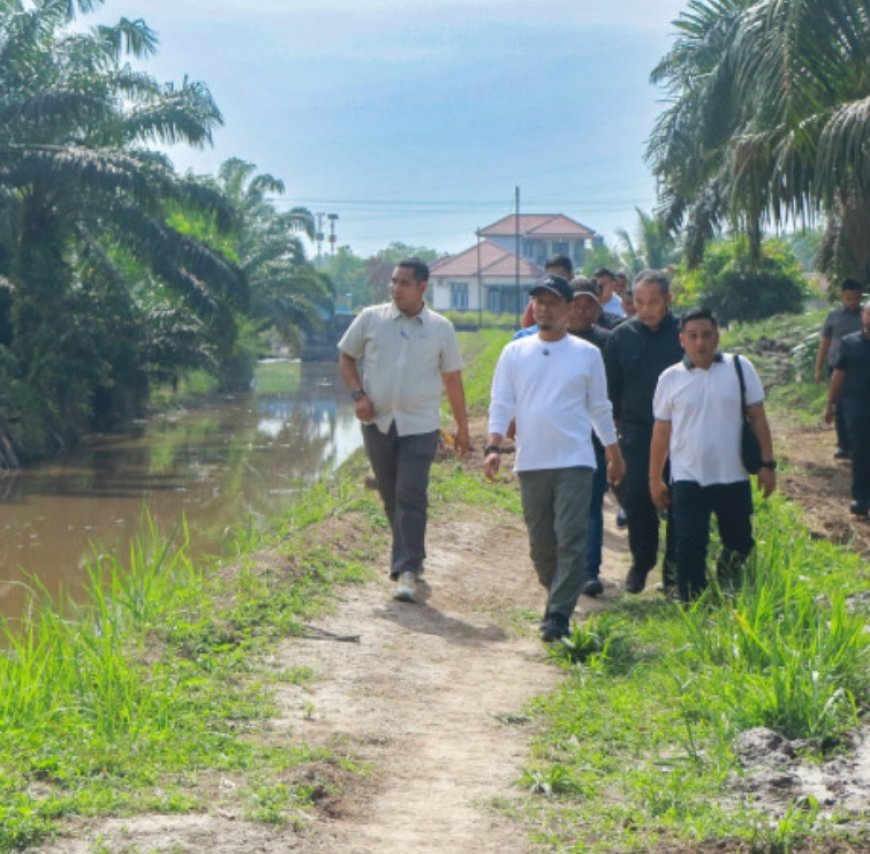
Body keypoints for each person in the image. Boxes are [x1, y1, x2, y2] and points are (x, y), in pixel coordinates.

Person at [485, 275, 625, 642]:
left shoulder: (587, 354)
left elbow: (599, 407)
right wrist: (493, 447)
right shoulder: (515, 351)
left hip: (576, 460)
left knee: (571, 538)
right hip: (532, 461)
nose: (543, 308)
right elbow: (502, 402)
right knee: (541, 545)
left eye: (551, 302)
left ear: (566, 309)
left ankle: (558, 615)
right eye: (538, 301)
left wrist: (613, 451)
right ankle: (557, 593)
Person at [338, 257, 470, 602]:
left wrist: (463, 428)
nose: (396, 288)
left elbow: (453, 379)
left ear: (422, 287)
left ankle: (407, 570)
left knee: (410, 494)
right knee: (390, 494)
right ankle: (410, 556)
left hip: (420, 426)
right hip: (377, 423)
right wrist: (358, 395)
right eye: (393, 282)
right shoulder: (371, 318)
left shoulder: (441, 328)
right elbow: (346, 357)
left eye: (404, 283)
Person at [650, 308, 777, 601]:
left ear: (717, 338)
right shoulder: (670, 379)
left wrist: (768, 465)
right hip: (688, 477)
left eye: (706, 335)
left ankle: (729, 591)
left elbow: (758, 417)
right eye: (693, 336)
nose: (700, 343)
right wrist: (655, 478)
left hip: (732, 475)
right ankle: (692, 601)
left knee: (740, 543)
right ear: (682, 340)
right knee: (690, 543)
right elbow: (661, 432)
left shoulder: (740, 368)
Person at [604, 269, 683, 594]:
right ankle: (642, 562)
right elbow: (611, 394)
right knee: (636, 499)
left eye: (653, 302)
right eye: (639, 302)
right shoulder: (620, 338)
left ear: (668, 299)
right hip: (637, 433)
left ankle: (674, 573)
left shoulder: (685, 333)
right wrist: (614, 444)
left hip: (681, 434)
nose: (646, 309)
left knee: (681, 500)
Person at [566, 277, 612, 596]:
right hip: (559, 435)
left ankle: (589, 570)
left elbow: (615, 391)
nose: (582, 310)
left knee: (592, 503)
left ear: (597, 308)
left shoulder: (609, 343)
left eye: (588, 304)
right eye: (576, 303)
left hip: (594, 435)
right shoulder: (548, 342)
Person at [825, 300, 870, 517]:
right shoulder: (849, 343)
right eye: (869, 314)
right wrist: (830, 404)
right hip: (856, 405)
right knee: (860, 452)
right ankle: (861, 498)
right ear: (863, 316)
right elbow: (838, 375)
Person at [815, 279, 864, 459]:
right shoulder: (833, 316)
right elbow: (824, 342)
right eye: (848, 298)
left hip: (859, 368)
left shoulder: (865, 316)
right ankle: (843, 444)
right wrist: (818, 368)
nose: (852, 302)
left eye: (855, 299)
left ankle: (856, 444)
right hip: (836, 367)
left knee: (857, 406)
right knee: (840, 405)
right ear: (842, 295)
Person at [518, 255, 574, 334]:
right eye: (551, 276)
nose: (544, 308)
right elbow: (526, 328)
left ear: (571, 277)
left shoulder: (580, 300)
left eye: (559, 276)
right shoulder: (535, 304)